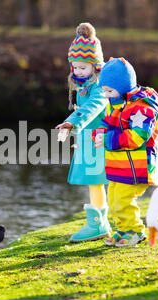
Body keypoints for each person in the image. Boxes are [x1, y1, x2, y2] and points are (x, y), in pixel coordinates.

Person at [93, 57, 158, 247]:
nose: (106, 95)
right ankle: (122, 230)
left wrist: (109, 140)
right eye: (104, 90)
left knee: (124, 199)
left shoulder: (142, 107)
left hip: (137, 166)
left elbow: (137, 136)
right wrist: (99, 133)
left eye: (109, 90)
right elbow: (107, 121)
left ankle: (135, 231)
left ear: (123, 86)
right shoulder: (116, 102)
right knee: (113, 198)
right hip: (119, 165)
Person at [55, 22, 111, 242]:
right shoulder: (83, 83)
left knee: (97, 179)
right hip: (88, 138)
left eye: (83, 68)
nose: (78, 71)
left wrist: (72, 122)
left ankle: (98, 224)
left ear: (95, 66)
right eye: (75, 67)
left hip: (98, 138)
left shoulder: (98, 87)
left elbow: (94, 106)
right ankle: (99, 222)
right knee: (94, 181)